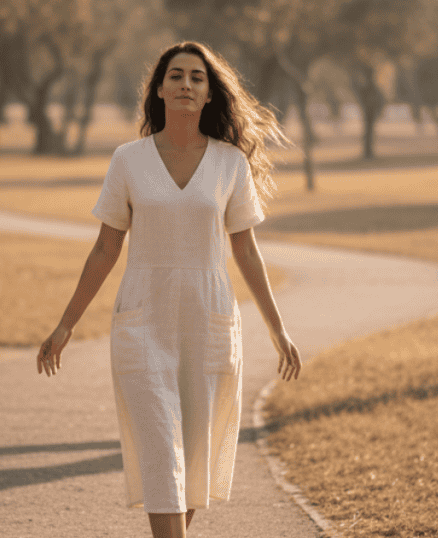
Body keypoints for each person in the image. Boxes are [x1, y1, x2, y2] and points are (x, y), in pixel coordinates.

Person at [36, 41, 301, 538]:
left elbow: (246, 251)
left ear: (209, 94)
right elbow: (105, 247)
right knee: (161, 450)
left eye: (197, 77)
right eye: (175, 76)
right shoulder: (129, 161)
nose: (185, 84)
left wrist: (277, 330)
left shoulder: (230, 163)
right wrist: (65, 324)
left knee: (194, 457)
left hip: (209, 322)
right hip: (142, 320)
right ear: (158, 89)